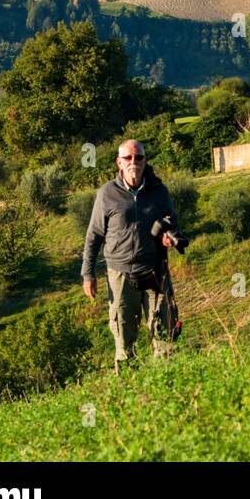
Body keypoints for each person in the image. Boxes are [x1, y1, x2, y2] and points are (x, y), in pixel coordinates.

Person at [81, 140, 186, 372]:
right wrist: (88, 273)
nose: (133, 163)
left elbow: (173, 223)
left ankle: (165, 383)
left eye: (138, 158)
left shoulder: (159, 191)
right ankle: (128, 389)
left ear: (145, 161)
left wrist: (169, 236)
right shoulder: (108, 193)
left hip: (155, 269)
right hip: (121, 274)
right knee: (123, 335)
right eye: (128, 158)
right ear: (119, 163)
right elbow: (94, 235)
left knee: (163, 330)